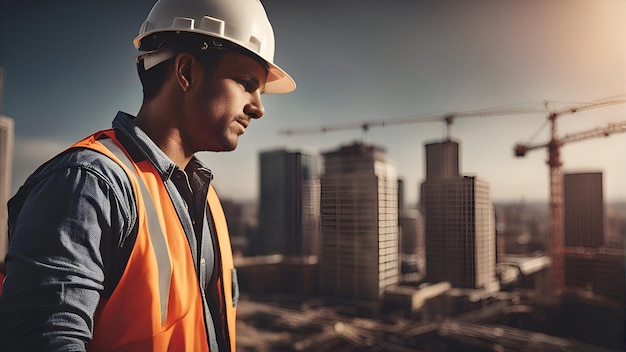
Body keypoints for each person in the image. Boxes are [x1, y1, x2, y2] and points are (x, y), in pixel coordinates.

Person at [0, 0, 295, 350]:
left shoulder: (205, 198)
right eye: (246, 83)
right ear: (185, 72)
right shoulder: (89, 184)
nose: (259, 109)